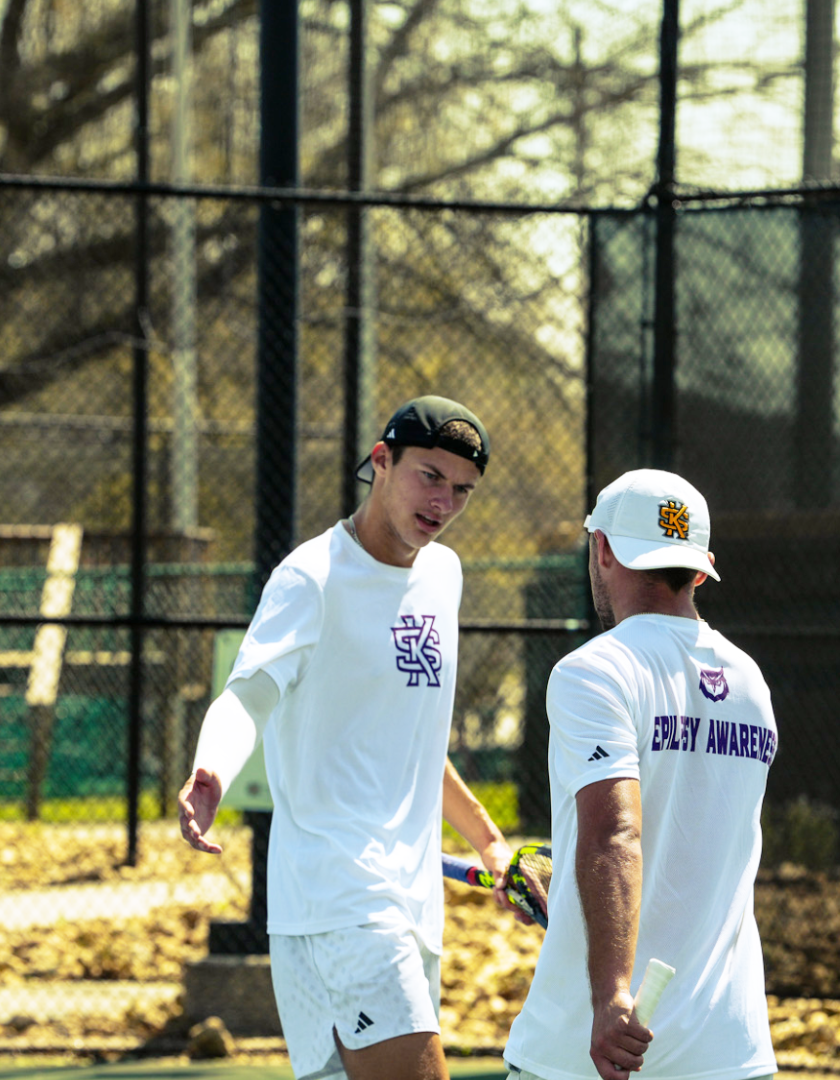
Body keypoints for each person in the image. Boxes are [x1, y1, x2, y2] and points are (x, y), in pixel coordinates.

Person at [179, 396, 521, 1080]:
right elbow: (248, 696)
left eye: (462, 490)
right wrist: (211, 768)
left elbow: (410, 742)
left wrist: (489, 842)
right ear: (381, 461)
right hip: (344, 900)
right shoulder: (310, 578)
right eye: (430, 476)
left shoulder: (444, 575)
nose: (444, 502)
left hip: (406, 905)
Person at [505, 469, 778, 1080]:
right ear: (701, 569)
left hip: (593, 1052)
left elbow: (615, 835)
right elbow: (689, 836)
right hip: (729, 1054)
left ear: (601, 549)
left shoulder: (593, 671)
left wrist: (611, 996)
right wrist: (565, 877)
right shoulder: (751, 682)